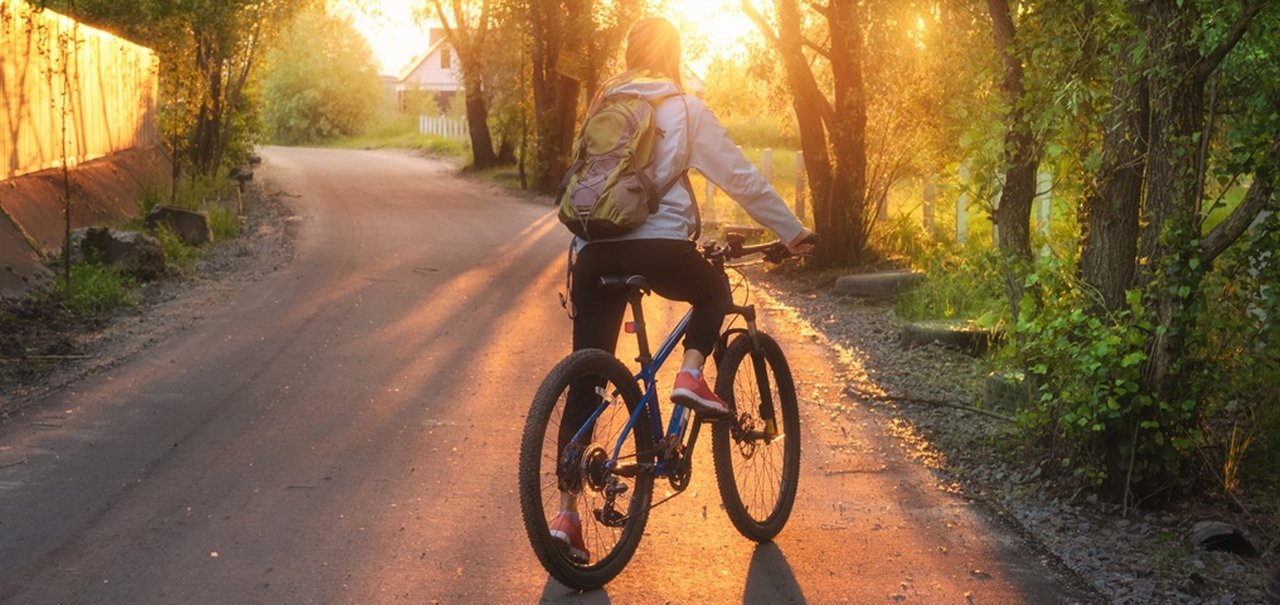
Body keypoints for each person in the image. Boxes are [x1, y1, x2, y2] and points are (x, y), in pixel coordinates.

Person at [549, 16, 816, 564]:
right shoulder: (686, 109)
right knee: (714, 291)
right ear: (673, 56)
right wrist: (792, 233)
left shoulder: (604, 107)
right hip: (662, 248)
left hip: (594, 252)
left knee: (588, 374)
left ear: (630, 53)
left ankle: (565, 513)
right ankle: (692, 374)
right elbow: (740, 178)